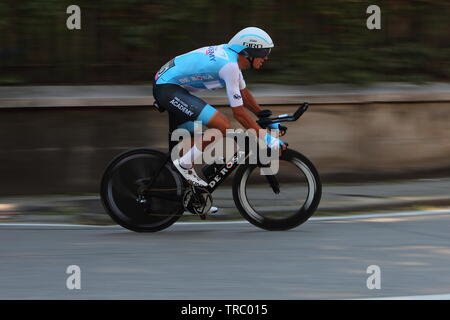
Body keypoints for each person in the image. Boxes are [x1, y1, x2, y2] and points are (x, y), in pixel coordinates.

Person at [153, 27, 286, 188]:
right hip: (168, 88)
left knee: (190, 145)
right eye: (265, 52)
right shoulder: (230, 66)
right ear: (250, 51)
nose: (266, 57)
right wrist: (267, 138)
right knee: (222, 124)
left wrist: (264, 117)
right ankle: (184, 165)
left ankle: (191, 197)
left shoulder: (231, 60)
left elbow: (244, 95)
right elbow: (239, 114)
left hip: (175, 88)